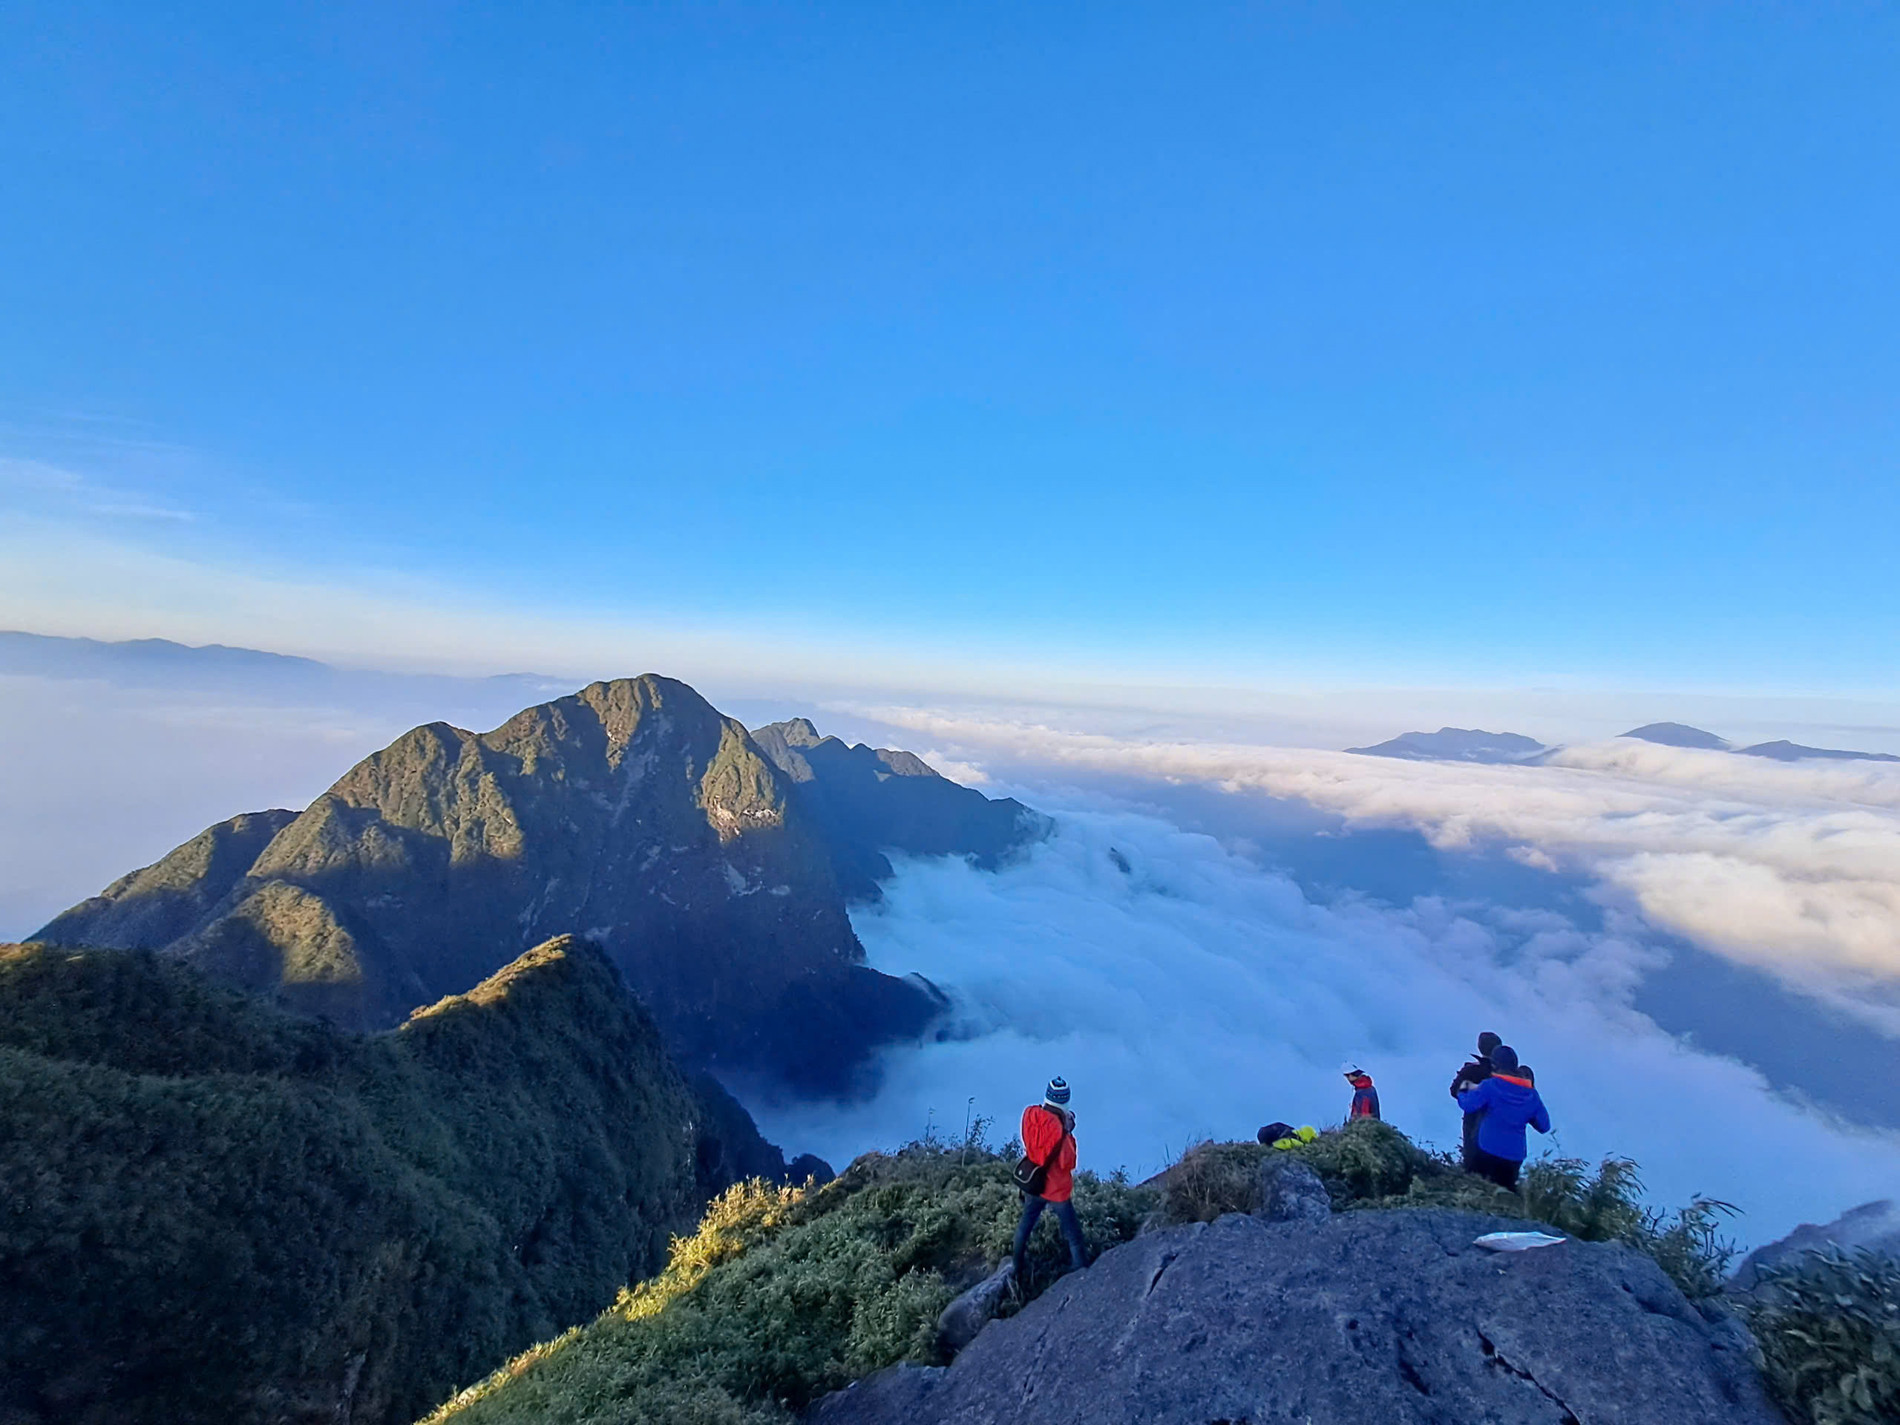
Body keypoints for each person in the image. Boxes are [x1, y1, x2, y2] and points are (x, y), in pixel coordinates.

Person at [1012, 1077, 1088, 1283]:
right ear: (1065, 1103)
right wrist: (1068, 1133)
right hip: (1056, 1190)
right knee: (1072, 1232)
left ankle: (1016, 1266)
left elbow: (1030, 1141)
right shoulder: (1060, 1130)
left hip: (1033, 1183)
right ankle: (1081, 1271)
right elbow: (1068, 1162)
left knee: (1025, 1225)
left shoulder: (1029, 1114)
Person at [1455, 1045, 1550, 1190]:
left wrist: (1463, 1089)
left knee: (1477, 1188)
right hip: (1514, 1157)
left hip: (1486, 1150)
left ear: (1494, 1065)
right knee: (1504, 1194)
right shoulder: (1532, 1095)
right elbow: (1544, 1126)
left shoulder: (1490, 1086)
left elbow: (1468, 1105)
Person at [1449, 1031, 1503, 1171]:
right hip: (1501, 1123)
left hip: (1473, 1121)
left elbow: (1454, 1090)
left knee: (1472, 1164)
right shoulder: (1507, 1073)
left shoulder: (1471, 1070)